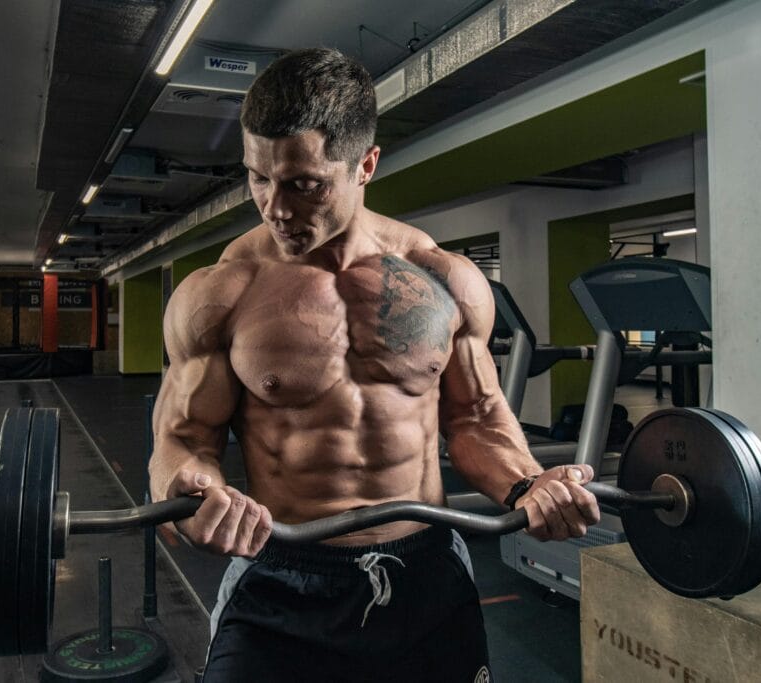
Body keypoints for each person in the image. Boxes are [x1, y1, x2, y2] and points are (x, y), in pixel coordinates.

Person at [149, 47, 600, 683]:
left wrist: (528, 484)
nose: (276, 208)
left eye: (305, 184)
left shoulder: (443, 280)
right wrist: (187, 493)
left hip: (426, 568)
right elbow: (181, 439)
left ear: (366, 165)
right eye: (257, 178)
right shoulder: (220, 292)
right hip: (281, 570)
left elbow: (474, 415)